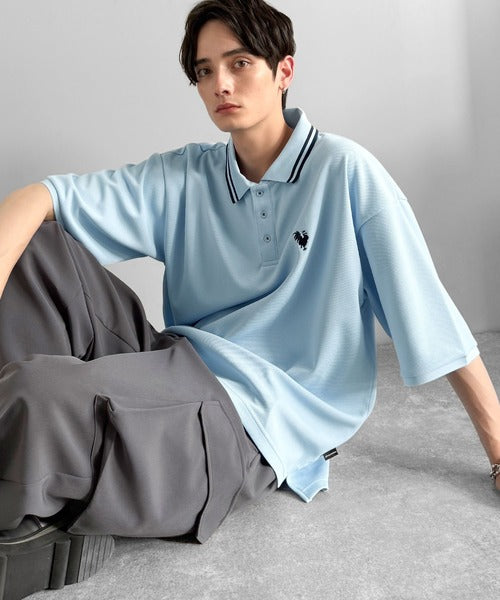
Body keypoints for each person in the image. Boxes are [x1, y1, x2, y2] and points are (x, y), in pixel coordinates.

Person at [1, 0, 499, 598]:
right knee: (32, 245)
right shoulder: (188, 174)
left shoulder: (346, 172)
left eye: (239, 63)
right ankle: (49, 463)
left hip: (251, 414)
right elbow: (42, 196)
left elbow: (431, 318)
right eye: (205, 70)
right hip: (175, 362)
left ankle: (39, 486)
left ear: (284, 70)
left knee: (37, 391)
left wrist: (498, 453)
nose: (221, 84)